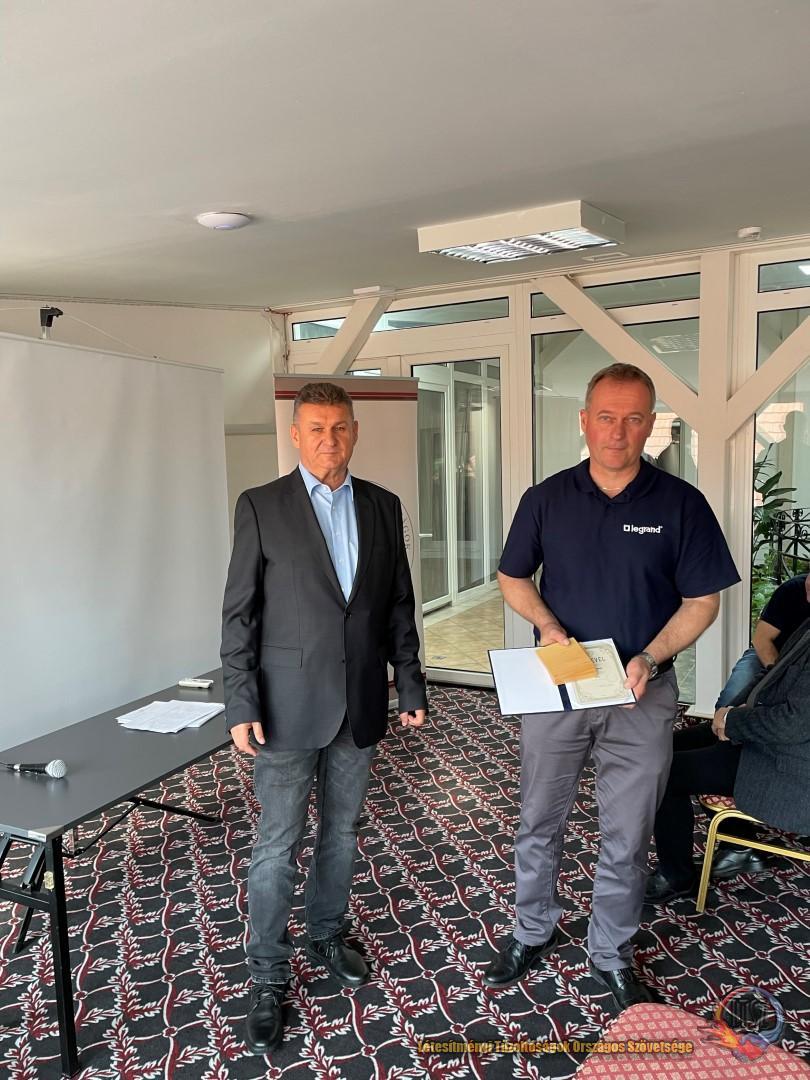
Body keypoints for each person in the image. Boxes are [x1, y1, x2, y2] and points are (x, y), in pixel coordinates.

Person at [484, 362, 739, 1011]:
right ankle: (532, 929)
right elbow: (513, 575)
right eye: (605, 416)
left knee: (628, 833)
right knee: (539, 818)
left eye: (632, 419)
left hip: (640, 692)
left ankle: (611, 952)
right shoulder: (546, 498)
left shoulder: (681, 503)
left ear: (650, 425)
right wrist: (547, 625)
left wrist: (651, 656)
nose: (617, 431)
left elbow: (702, 601)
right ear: (584, 421)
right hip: (562, 684)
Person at [221, 381, 427, 1055]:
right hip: (283, 708)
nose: (328, 440)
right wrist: (241, 700)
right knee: (277, 844)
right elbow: (239, 613)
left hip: (359, 701)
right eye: (315, 428)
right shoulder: (261, 506)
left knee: (342, 830)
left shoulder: (382, 505)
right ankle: (266, 973)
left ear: (355, 431)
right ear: (295, 435)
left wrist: (410, 683)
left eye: (339, 427)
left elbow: (398, 604)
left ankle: (327, 931)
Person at [645, 617, 810, 904]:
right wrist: (732, 710)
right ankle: (740, 846)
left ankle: (676, 876)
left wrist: (733, 722)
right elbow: (772, 674)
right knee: (664, 747)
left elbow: (794, 725)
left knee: (664, 772)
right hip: (767, 740)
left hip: (789, 767)